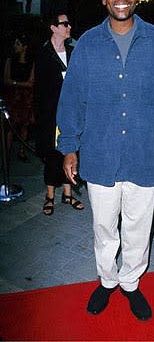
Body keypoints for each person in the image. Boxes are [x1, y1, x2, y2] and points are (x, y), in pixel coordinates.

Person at [56, 0, 154, 320]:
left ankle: (130, 282)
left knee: (138, 226)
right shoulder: (87, 44)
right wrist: (69, 146)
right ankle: (107, 280)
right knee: (103, 226)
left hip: (146, 154)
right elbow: (72, 99)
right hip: (99, 154)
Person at [34, 13, 84, 216]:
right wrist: (43, 118)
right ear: (54, 28)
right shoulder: (44, 55)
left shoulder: (74, 52)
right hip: (51, 115)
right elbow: (39, 91)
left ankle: (68, 193)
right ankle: (49, 197)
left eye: (69, 23)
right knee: (52, 155)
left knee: (70, 152)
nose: (69, 26)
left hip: (72, 113)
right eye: (65, 24)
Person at [3, 33, 35, 162]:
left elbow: (31, 82)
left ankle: (21, 151)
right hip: (14, 97)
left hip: (26, 97)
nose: (15, 46)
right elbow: (6, 80)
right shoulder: (10, 61)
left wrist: (15, 82)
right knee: (11, 126)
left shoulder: (31, 62)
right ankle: (6, 153)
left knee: (24, 125)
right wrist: (20, 84)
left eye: (18, 44)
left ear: (24, 47)